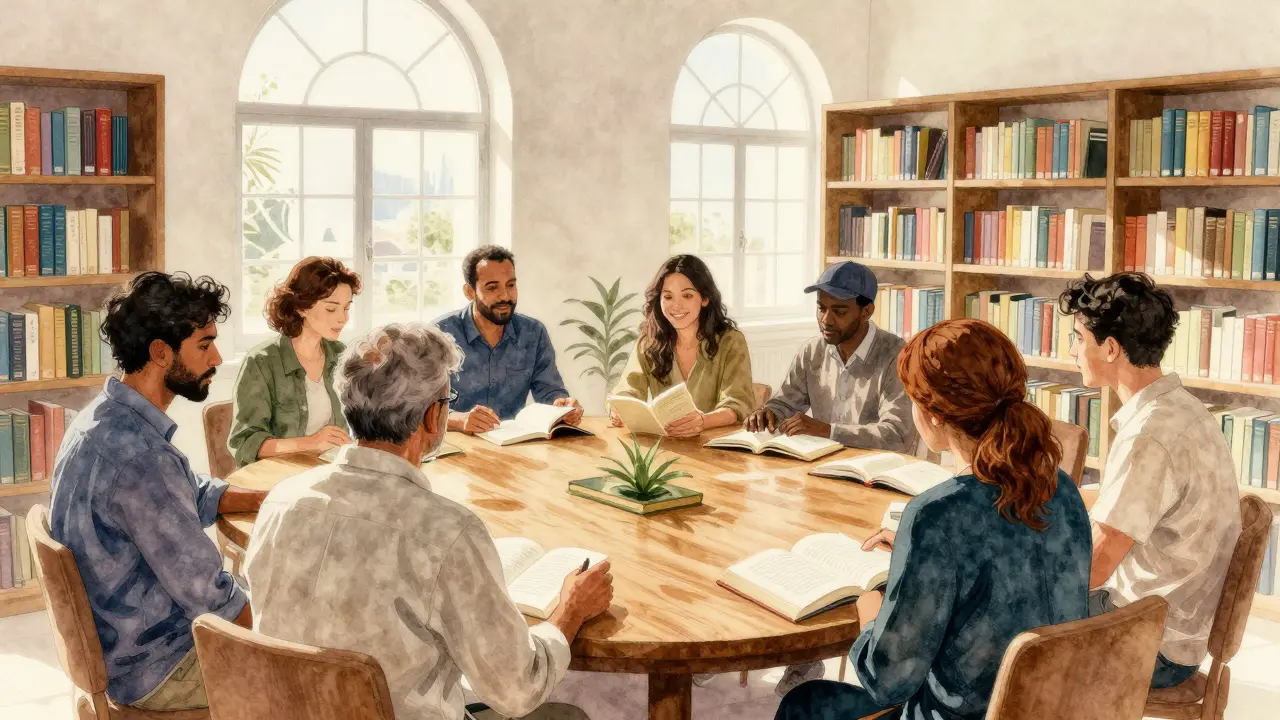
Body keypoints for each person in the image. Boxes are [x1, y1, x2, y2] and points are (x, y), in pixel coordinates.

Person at [243, 323, 612, 720]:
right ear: (433, 417)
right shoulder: (448, 532)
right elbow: (518, 691)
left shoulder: (280, 501)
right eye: (447, 399)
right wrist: (569, 610)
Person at [777, 318, 1092, 720]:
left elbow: (889, 679)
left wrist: (870, 613)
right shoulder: (1062, 488)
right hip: (1052, 708)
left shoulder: (934, 515)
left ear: (935, 415)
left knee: (803, 704)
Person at [49, 272, 267, 711]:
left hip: (118, 646)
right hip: (158, 667)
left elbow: (177, 495)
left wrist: (256, 498)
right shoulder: (144, 461)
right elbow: (211, 600)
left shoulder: (103, 419)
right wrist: (268, 643)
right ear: (161, 353)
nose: (218, 357)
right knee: (314, 653)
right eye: (204, 345)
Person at [1058, 272, 1240, 689]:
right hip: (1172, 621)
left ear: (1109, 348)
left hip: (1151, 640)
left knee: (993, 611)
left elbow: (1096, 569)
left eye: (1077, 338)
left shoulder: (1149, 436)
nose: (1071, 351)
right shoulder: (1182, 409)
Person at [744, 261, 917, 453]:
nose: (826, 320)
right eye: (821, 308)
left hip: (878, 472)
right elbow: (785, 402)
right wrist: (768, 413)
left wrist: (827, 431)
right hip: (824, 464)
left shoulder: (898, 356)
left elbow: (896, 435)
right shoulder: (812, 351)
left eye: (839, 311)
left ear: (866, 312)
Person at [433, 245, 583, 435]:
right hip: (456, 447)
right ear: (470, 292)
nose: (505, 296)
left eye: (510, 285)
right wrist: (459, 420)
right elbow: (420, 407)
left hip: (513, 446)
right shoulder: (440, 334)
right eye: (492, 287)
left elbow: (549, 391)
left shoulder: (533, 333)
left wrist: (563, 407)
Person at [228, 256, 360, 467]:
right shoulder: (262, 362)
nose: (342, 319)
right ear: (301, 307)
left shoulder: (341, 355)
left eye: (346, 308)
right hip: (279, 478)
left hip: (329, 473)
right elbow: (244, 443)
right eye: (331, 308)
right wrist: (310, 443)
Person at [610, 254, 754, 437]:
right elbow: (626, 391)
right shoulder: (649, 342)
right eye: (668, 297)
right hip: (667, 448)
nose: (676, 306)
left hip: (718, 450)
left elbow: (738, 404)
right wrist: (618, 410)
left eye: (687, 295)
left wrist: (703, 421)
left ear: (704, 299)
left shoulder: (730, 341)